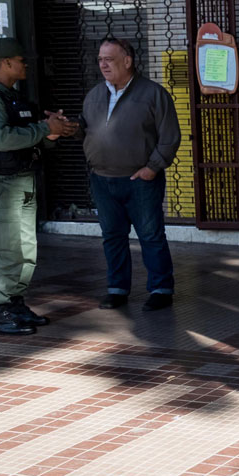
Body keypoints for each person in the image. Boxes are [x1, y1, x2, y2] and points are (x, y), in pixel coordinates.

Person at [0, 38, 77, 335]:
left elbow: (32, 132)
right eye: (21, 60)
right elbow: (3, 138)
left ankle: (13, 302)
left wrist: (52, 130)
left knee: (25, 250)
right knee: (5, 249)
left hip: (21, 180)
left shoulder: (15, 99)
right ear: (7, 63)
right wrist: (43, 129)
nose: (25, 64)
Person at [76, 38, 181, 311]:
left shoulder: (153, 94)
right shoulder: (95, 95)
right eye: (100, 59)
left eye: (109, 59)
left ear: (127, 61)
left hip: (140, 180)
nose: (102, 64)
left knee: (150, 235)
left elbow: (169, 138)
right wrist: (66, 127)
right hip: (102, 179)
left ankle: (161, 289)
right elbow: (85, 130)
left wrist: (152, 168)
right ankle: (117, 289)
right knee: (112, 236)